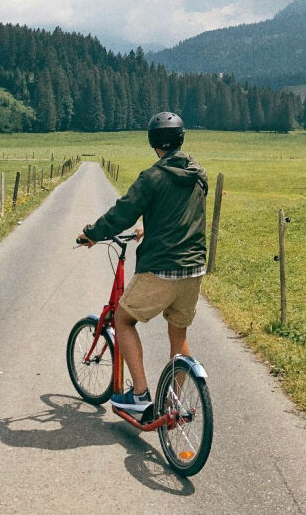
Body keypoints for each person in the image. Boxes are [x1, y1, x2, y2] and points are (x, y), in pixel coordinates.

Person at [79, 112, 208, 414]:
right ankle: (173, 403)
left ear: (153, 141)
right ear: (181, 138)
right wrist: (148, 227)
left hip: (162, 268)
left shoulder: (151, 178)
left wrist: (91, 234)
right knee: (178, 334)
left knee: (123, 320)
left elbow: (121, 214)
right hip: (194, 270)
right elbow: (185, 214)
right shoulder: (198, 174)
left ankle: (139, 395)